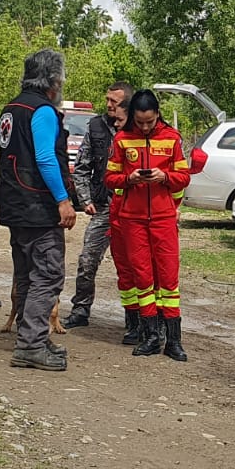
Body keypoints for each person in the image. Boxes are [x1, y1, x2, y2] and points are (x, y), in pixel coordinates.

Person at [0, 49, 76, 371]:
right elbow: (45, 158)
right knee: (48, 273)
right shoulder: (41, 111)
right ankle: (31, 345)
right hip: (37, 205)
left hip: (15, 204)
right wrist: (62, 199)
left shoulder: (11, 109)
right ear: (54, 80)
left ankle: (33, 337)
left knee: (27, 273)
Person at [104, 89, 191, 361]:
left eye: (149, 122)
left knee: (168, 280)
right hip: (132, 219)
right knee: (142, 278)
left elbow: (183, 177)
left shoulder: (172, 138)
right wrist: (129, 179)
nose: (144, 127)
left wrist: (164, 176)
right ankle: (151, 336)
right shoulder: (121, 139)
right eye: (140, 122)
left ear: (157, 115)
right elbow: (109, 178)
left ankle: (173, 340)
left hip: (163, 217)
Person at [65, 81, 131, 328]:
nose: (109, 106)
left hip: (131, 209)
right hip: (103, 206)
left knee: (132, 266)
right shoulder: (95, 126)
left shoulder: (138, 126)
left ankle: (135, 318)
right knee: (86, 262)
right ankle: (81, 310)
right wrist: (85, 199)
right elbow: (82, 166)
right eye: (108, 100)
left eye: (114, 102)